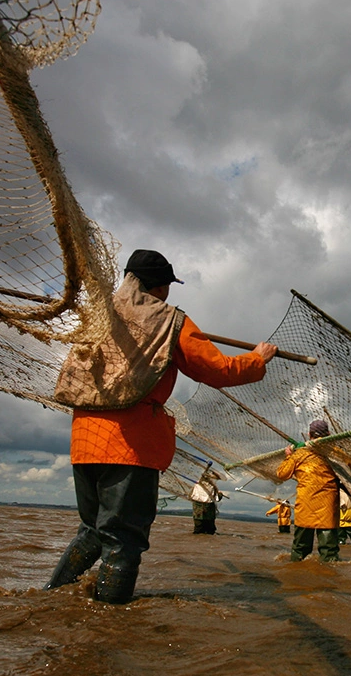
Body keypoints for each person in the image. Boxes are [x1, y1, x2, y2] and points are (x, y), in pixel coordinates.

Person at [45, 249, 276, 603]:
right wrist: (257, 360)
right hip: (130, 446)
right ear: (163, 287)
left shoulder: (100, 314)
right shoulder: (170, 320)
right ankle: (110, 623)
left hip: (86, 441)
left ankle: (49, 599)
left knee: (93, 531)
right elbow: (215, 370)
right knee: (123, 540)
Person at [276, 419, 351, 562]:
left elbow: (281, 474)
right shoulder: (336, 452)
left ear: (309, 435)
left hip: (305, 505)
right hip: (327, 505)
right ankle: (329, 577)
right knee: (329, 553)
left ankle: (297, 577)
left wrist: (289, 456)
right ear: (328, 434)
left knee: (299, 550)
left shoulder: (299, 454)